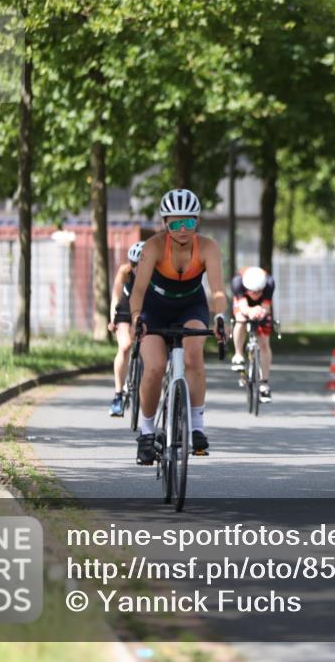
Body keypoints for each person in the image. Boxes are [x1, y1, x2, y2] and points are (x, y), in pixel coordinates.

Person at [128, 189, 227, 465]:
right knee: (156, 367)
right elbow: (137, 290)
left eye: (189, 223)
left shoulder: (208, 248)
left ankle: (196, 426)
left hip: (191, 306)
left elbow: (218, 291)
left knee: (194, 354)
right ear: (164, 223)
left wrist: (220, 316)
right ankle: (147, 433)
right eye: (175, 223)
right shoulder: (154, 247)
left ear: (197, 222)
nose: (183, 229)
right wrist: (136, 316)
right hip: (153, 308)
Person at [108, 241, 144, 416]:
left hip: (146, 309)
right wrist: (112, 319)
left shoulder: (156, 273)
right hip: (125, 309)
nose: (137, 268)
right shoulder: (124, 271)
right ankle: (118, 395)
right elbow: (115, 296)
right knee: (125, 346)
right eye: (134, 264)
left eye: (141, 264)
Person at [230, 265, 276, 402]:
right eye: (253, 292)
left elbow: (266, 307)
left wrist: (261, 312)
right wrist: (250, 311)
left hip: (261, 306)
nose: (256, 295)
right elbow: (243, 307)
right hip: (244, 303)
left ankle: (264, 383)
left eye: (258, 292)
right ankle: (238, 354)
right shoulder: (237, 282)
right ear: (246, 288)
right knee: (240, 319)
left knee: (264, 343)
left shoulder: (269, 283)